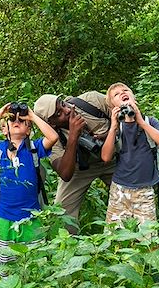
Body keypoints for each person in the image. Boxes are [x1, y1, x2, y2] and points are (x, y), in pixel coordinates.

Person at [0, 103, 58, 265]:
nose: (16, 121)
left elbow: (53, 137)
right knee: (5, 263)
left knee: (36, 263)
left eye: (22, 121)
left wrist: (32, 116)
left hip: (32, 217)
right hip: (5, 217)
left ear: (29, 130)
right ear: (4, 130)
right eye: (11, 120)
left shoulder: (34, 148)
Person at [33, 92, 115, 233]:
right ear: (51, 123)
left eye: (63, 104)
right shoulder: (52, 138)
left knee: (132, 193)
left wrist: (109, 135)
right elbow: (65, 174)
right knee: (62, 213)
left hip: (113, 160)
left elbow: (126, 118)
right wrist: (73, 136)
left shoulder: (91, 101)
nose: (67, 110)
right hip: (80, 169)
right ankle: (69, 246)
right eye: (59, 114)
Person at [100, 82, 159, 227]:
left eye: (125, 90)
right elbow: (106, 157)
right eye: (116, 94)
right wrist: (113, 127)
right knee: (113, 238)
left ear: (134, 98)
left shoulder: (149, 121)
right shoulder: (116, 127)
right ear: (113, 107)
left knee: (148, 239)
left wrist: (141, 122)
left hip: (144, 189)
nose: (122, 93)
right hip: (119, 189)